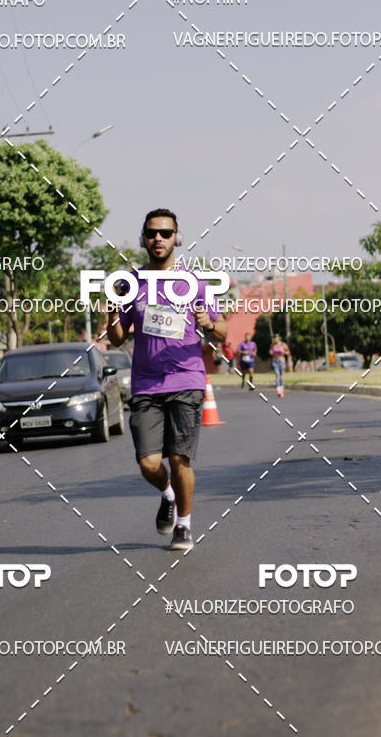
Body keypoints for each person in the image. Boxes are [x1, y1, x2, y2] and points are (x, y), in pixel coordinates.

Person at [106, 209, 227, 550]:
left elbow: (223, 329)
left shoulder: (194, 283)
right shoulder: (131, 284)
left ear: (177, 237)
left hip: (186, 380)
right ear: (143, 238)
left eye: (166, 232)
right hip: (146, 383)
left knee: (179, 459)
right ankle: (167, 493)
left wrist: (208, 323)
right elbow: (117, 338)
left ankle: (185, 525)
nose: (159, 238)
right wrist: (111, 312)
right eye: (152, 233)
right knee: (147, 462)